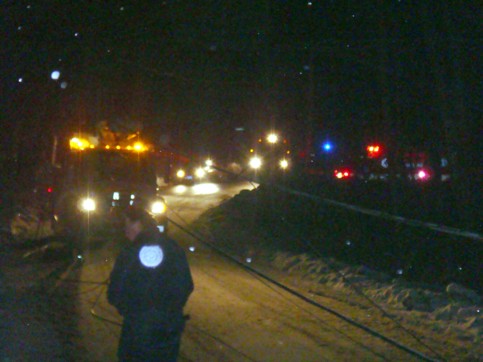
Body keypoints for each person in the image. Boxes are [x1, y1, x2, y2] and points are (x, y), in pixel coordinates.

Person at [108, 207, 194, 361]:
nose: (125, 231)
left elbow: (115, 291)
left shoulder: (130, 252)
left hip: (138, 331)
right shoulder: (173, 247)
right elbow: (186, 285)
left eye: (126, 225)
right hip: (169, 329)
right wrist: (170, 311)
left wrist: (130, 311)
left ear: (137, 224)